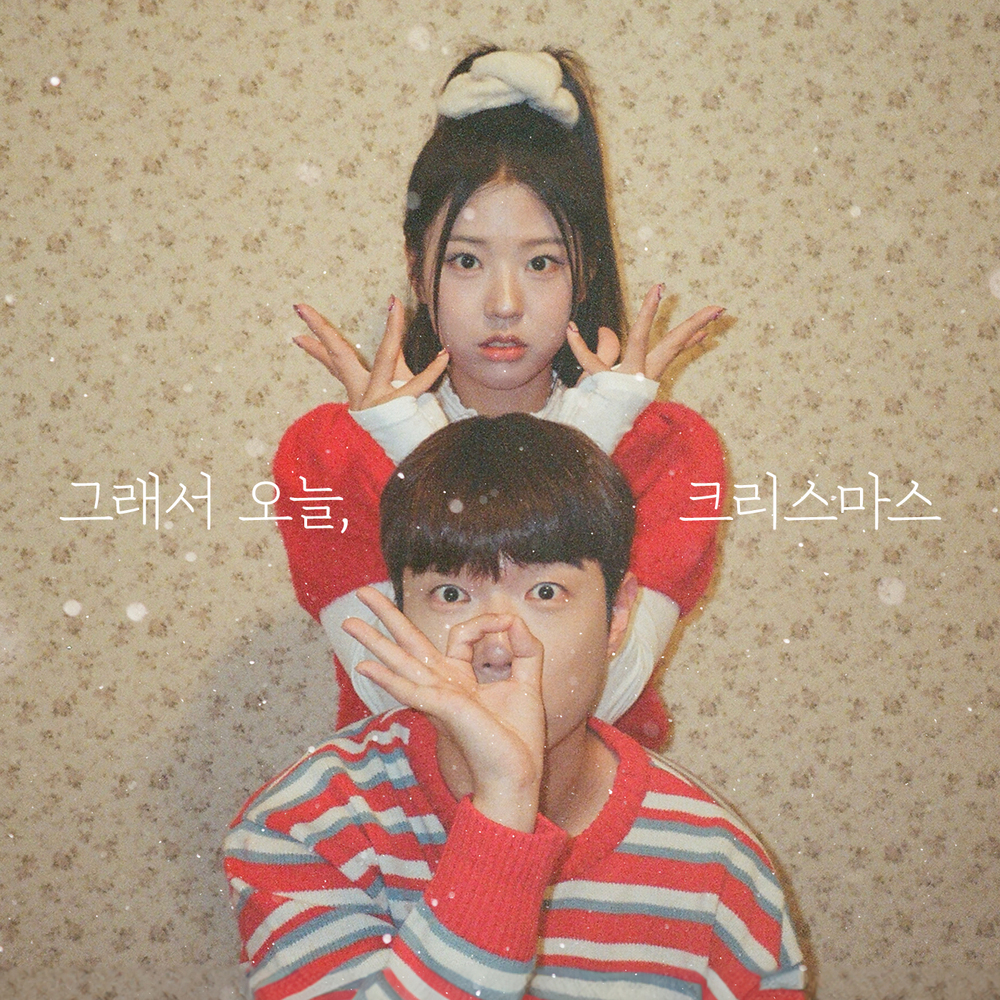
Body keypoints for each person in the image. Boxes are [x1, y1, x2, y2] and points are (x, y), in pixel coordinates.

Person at [225, 415, 806, 999]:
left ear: (618, 614)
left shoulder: (716, 865)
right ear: (401, 616)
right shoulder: (306, 828)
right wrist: (505, 805)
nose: (498, 644)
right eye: (451, 594)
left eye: (546, 593)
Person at [275, 47, 727, 749]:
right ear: (416, 271)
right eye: (466, 260)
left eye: (541, 262)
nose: (505, 303)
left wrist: (596, 429)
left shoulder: (665, 449)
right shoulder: (333, 456)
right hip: (405, 799)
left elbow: (601, 695)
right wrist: (411, 446)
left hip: (591, 802)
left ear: (584, 273)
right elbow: (395, 693)